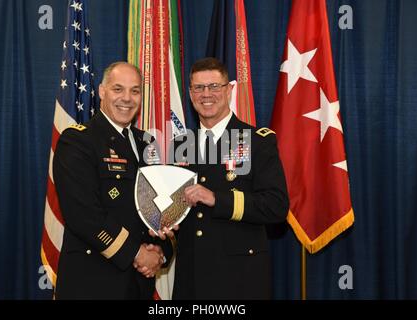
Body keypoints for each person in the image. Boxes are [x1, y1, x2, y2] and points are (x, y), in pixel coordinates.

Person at [170, 57, 289, 299]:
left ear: (230, 90)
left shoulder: (256, 140)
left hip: (239, 280)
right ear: (190, 94)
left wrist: (217, 199)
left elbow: (276, 207)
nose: (207, 94)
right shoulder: (181, 144)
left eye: (215, 86)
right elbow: (176, 209)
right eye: (199, 88)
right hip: (191, 279)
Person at [53, 61, 172, 299]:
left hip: (138, 284)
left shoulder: (146, 142)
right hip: (93, 282)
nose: (127, 98)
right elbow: (83, 215)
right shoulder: (78, 141)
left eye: (135, 90)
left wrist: (160, 252)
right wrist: (137, 254)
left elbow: (155, 206)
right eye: (118, 89)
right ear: (102, 91)